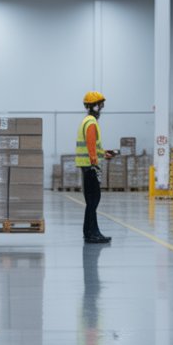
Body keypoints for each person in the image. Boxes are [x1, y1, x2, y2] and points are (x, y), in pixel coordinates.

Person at [76, 91, 118, 244]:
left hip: (86, 166)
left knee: (91, 201)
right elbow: (90, 145)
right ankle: (92, 233)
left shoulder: (86, 120)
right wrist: (95, 162)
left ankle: (89, 232)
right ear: (94, 106)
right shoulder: (91, 122)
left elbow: (93, 146)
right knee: (94, 200)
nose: (101, 108)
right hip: (90, 167)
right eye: (100, 105)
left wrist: (103, 153)